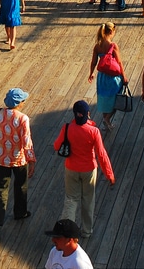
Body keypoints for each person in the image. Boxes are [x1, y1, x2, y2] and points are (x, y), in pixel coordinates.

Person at [52, 101, 114, 240]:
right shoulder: (94, 131)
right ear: (88, 114)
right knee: (88, 200)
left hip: (71, 168)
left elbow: (56, 146)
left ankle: (67, 232)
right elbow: (101, 154)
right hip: (89, 170)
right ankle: (86, 231)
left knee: (71, 200)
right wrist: (109, 174)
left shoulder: (67, 128)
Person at [0, 87, 36, 234]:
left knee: (0, 189)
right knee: (21, 186)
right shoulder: (23, 119)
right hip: (18, 158)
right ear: (19, 103)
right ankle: (20, 212)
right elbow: (26, 142)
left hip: (0, 157)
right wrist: (31, 160)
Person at [87, 22, 126, 131]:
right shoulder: (113, 46)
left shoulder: (97, 46)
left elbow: (93, 62)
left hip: (102, 77)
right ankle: (107, 119)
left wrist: (91, 73)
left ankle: (106, 119)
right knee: (116, 98)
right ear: (111, 32)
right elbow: (119, 62)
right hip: (113, 77)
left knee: (105, 98)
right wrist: (124, 77)